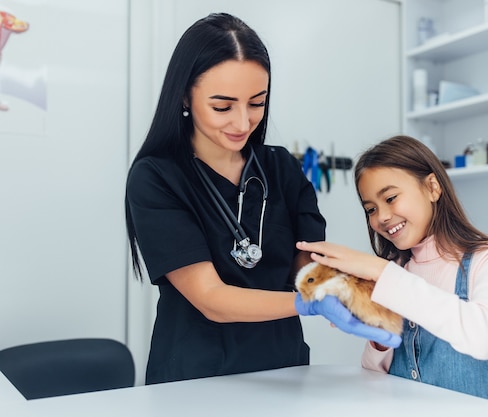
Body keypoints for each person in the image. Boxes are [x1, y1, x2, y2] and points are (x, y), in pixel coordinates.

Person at [125, 12, 398, 385]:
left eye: (257, 103)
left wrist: (336, 287)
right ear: (186, 94)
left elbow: (306, 260)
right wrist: (307, 304)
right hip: (196, 378)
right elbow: (210, 298)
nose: (242, 123)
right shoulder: (157, 177)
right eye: (223, 106)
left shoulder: (281, 167)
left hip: (283, 370)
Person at [296, 135, 488, 402]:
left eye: (391, 198)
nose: (381, 217)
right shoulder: (397, 269)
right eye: (370, 208)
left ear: (432, 187)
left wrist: (381, 271)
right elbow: (373, 377)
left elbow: (484, 338)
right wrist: (379, 336)